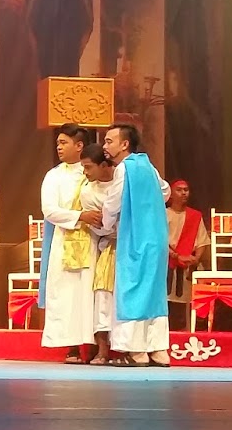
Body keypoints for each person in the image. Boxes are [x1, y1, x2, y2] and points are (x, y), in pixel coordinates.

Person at [99, 123, 172, 368]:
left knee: (131, 288)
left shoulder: (124, 169)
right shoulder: (148, 166)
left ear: (124, 144)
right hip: (157, 238)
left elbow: (112, 202)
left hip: (136, 238)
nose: (105, 146)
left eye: (109, 141)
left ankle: (136, 351)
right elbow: (165, 191)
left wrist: (106, 225)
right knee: (153, 292)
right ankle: (158, 350)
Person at [38, 123, 101, 363]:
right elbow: (49, 210)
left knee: (90, 294)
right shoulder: (54, 176)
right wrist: (80, 216)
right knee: (66, 295)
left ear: (79, 146)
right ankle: (72, 347)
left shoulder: (93, 173)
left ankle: (94, 345)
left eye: (64, 143)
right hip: (64, 241)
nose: (59, 148)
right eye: (58, 143)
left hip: (93, 240)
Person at [78, 143, 119, 362]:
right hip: (109, 247)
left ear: (104, 165)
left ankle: (130, 350)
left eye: (88, 167)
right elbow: (98, 225)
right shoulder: (88, 192)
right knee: (103, 295)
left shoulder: (122, 181)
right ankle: (103, 350)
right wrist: (111, 225)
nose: (85, 172)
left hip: (132, 246)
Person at [166, 180, 210, 307]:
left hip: (189, 265)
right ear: (171, 194)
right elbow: (159, 241)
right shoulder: (163, 214)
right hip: (168, 263)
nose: (184, 193)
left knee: (192, 305)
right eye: (179, 190)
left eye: (186, 190)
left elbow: (202, 241)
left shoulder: (195, 216)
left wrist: (196, 259)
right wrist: (175, 256)